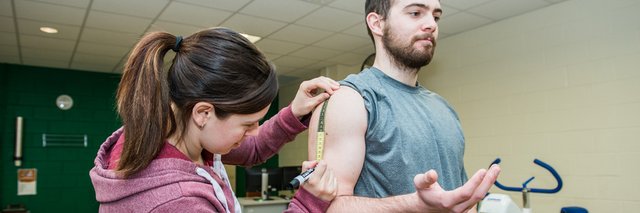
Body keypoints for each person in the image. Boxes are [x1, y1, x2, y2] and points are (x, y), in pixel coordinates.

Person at [89, 27, 340, 213]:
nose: (254, 132)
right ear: (203, 113)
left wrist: (293, 113)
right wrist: (308, 204)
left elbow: (252, 149)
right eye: (247, 124)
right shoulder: (178, 201)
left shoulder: (168, 136)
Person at [306, 0, 501, 212]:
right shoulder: (349, 100)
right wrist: (413, 205)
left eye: (435, 17)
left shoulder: (443, 108)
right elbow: (329, 208)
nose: (431, 25)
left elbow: (458, 199)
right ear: (377, 23)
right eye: (416, 13)